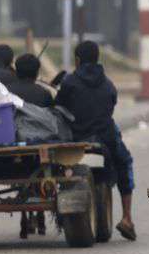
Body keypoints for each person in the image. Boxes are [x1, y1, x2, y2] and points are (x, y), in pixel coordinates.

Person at [54, 40, 135, 240]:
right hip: (106, 137)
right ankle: (127, 218)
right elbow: (111, 104)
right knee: (125, 162)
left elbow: (59, 105)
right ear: (98, 58)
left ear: (77, 60)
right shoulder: (108, 84)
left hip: (77, 138)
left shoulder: (69, 82)